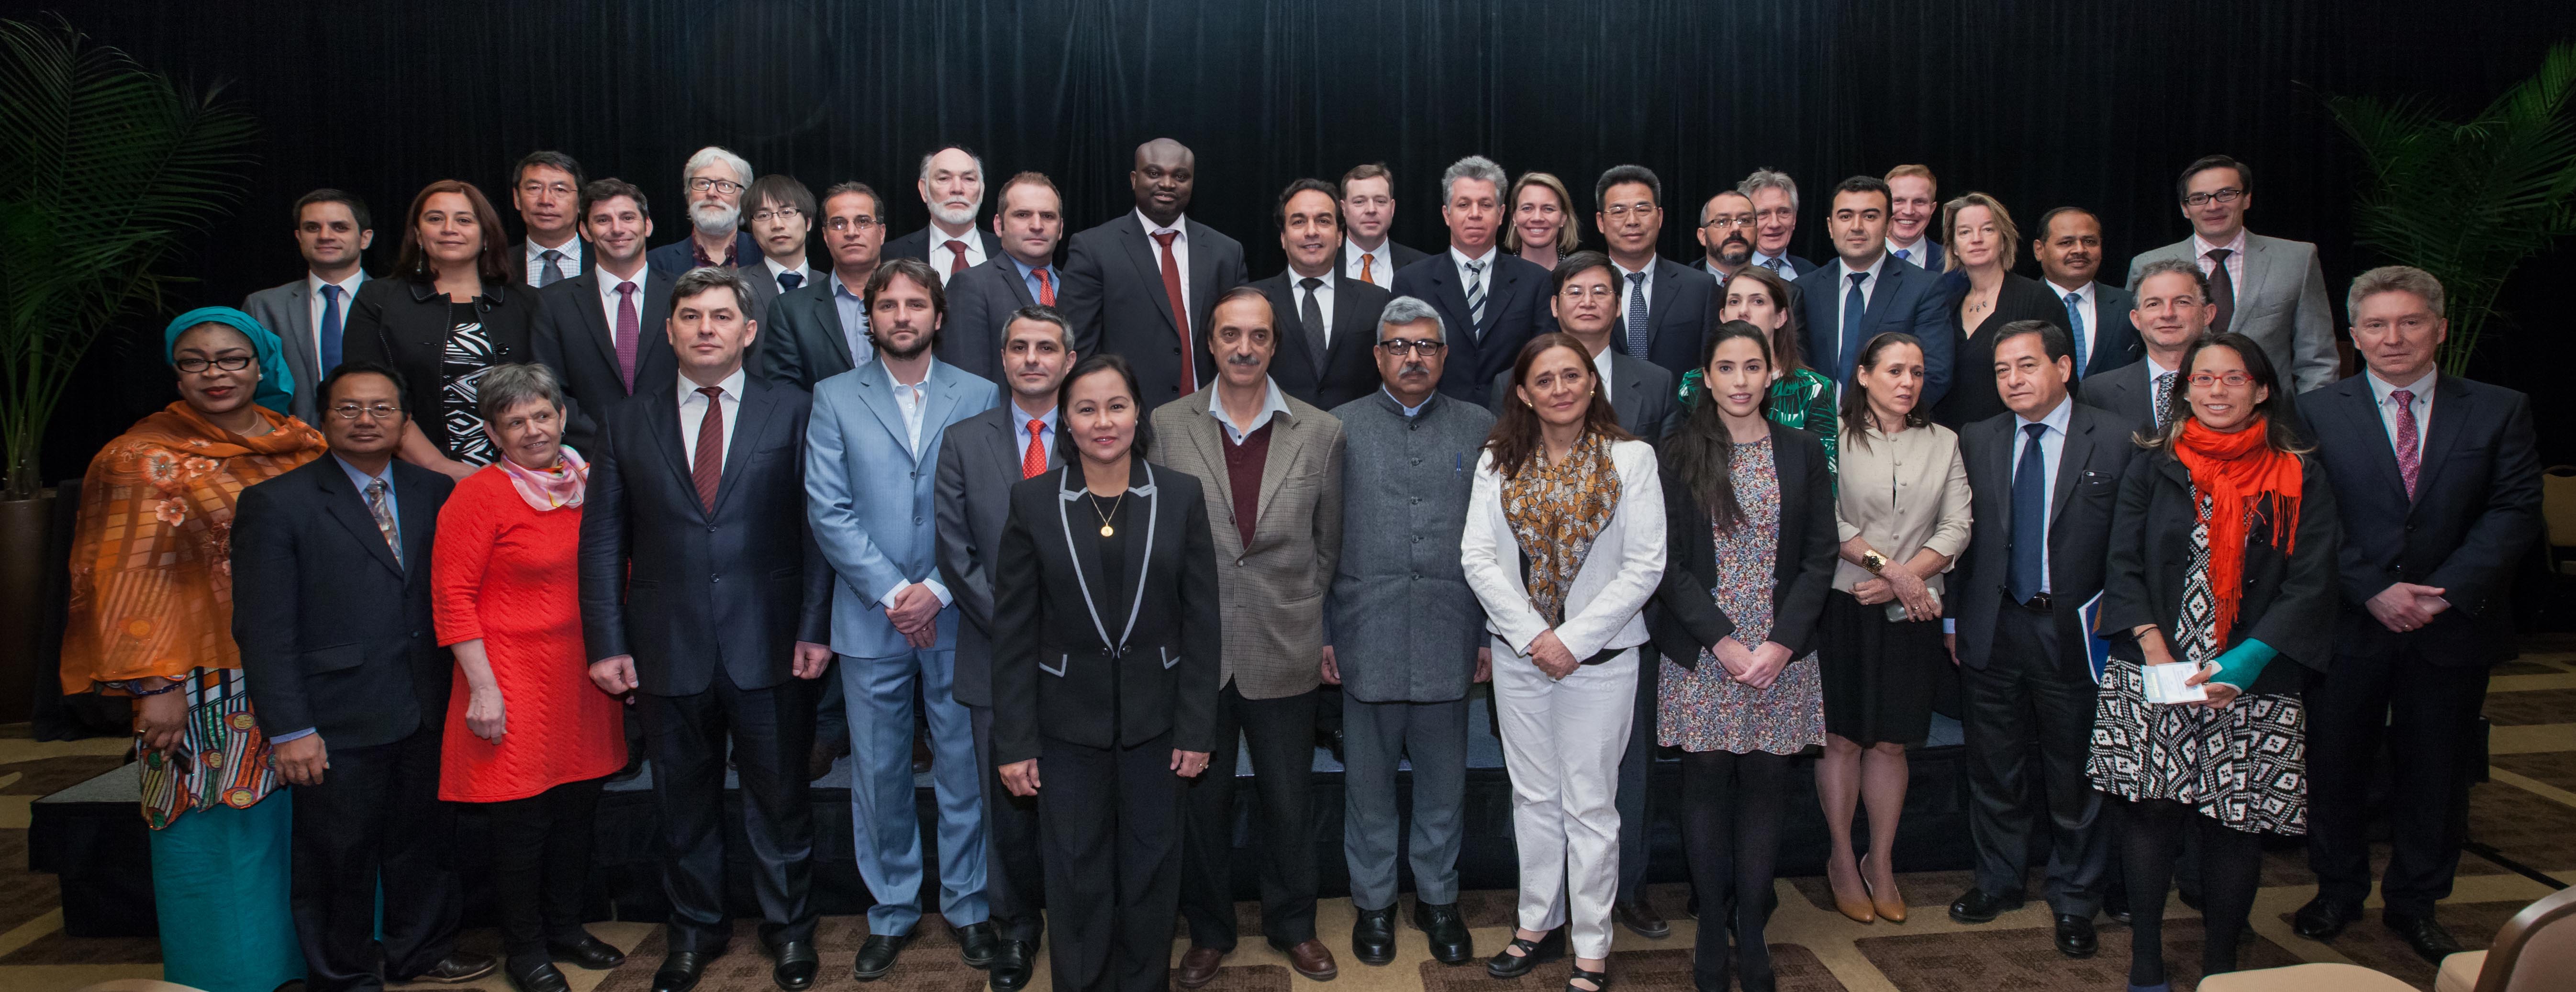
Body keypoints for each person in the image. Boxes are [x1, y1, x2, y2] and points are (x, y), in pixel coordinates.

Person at [578, 267, 835, 992]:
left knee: (780, 799)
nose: (705, 329)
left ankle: (791, 932)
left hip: (773, 639)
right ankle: (693, 931)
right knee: (681, 803)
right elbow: (602, 541)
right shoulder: (626, 419)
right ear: (669, 330)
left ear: (749, 332)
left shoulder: (795, 410)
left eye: (721, 316)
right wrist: (606, 642)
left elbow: (819, 529)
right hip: (665, 646)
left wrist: (816, 625)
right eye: (690, 316)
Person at [60, 308, 325, 992]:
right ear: (176, 371)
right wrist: (155, 687)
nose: (215, 374)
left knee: (309, 822)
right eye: (196, 361)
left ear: (261, 363)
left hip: (301, 666)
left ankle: (314, 962)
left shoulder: (303, 445)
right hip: (203, 681)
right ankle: (228, 975)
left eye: (232, 358)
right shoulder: (138, 458)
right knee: (216, 824)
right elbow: (121, 574)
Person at [2295, 267, 2543, 962]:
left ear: (2436, 326)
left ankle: (2415, 902)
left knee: (2434, 773)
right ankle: (2336, 890)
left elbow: (2514, 508)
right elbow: (2307, 516)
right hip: (2347, 621)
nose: (2392, 337)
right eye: (2374, 325)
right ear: (2352, 336)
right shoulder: (2314, 410)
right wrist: (2371, 588)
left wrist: (2442, 590)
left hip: (2450, 623)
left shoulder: (2498, 407)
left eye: (2407, 322)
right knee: (2334, 766)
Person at [2090, 331, 2341, 990]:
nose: (2216, 391)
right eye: (2202, 380)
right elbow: (2120, 561)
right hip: (2153, 664)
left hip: (2252, 677)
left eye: (2232, 378)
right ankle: (2145, 960)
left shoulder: (2298, 471)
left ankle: (2222, 963)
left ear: (2261, 389)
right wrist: (2153, 649)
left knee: (2233, 824)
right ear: (2184, 390)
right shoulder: (2154, 460)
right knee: (2148, 812)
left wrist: (2245, 664)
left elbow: (2310, 582)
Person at [232, 361, 487, 991]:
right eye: (349, 408)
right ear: (323, 420)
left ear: (404, 421)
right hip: (336, 712)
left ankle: (419, 952)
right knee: (336, 854)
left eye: (380, 408)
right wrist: (290, 728)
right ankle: (341, 973)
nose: (366, 419)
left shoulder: (436, 492)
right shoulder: (276, 503)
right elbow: (264, 630)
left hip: (427, 701)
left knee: (424, 842)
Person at [990, 354, 1221, 992]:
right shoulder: (1032, 501)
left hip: (1159, 725)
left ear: (1137, 412)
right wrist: (1014, 742)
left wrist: (1197, 729)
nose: (1102, 421)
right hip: (1065, 730)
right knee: (1074, 875)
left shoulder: (1179, 495)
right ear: (1065, 420)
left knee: (1150, 873)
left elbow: (1202, 625)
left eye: (1115, 406)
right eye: (1086, 409)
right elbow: (1012, 635)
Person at [806, 256, 1004, 980]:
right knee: (880, 773)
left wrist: (939, 591)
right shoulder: (832, 396)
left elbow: (990, 508)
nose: (900, 316)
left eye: (914, 304)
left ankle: (969, 906)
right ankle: (890, 910)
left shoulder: (982, 393)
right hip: (870, 617)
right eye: (886, 304)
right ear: (870, 317)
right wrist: (896, 593)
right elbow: (827, 509)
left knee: (963, 768)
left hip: (958, 614)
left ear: (938, 316)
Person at [1149, 287, 1348, 986]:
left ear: (1273, 344)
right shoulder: (1165, 425)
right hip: (1194, 650)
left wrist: (1302, 609)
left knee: (1288, 799)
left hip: (1283, 642)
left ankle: (1293, 925)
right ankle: (1208, 930)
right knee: (1199, 803)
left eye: (1256, 336)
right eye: (1229, 334)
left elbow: (1328, 544)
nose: (1242, 347)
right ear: (1209, 342)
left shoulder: (1320, 431)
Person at [1464, 333, 1666, 992]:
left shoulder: (1630, 458)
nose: (1559, 389)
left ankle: (1590, 945)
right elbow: (1477, 559)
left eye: (1571, 376)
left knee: (1589, 805)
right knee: (1533, 798)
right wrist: (1532, 636)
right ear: (1522, 392)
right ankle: (1534, 923)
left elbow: (1645, 565)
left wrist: (1571, 639)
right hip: (1522, 657)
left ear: (1591, 383)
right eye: (1544, 380)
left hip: (1599, 661)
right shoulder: (1498, 458)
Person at [1649, 322, 1836, 992]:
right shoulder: (1675, 452)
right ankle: (1708, 926)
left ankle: (1751, 924)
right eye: (1724, 367)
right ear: (1704, 376)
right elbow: (1664, 564)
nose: (1737, 380)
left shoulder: (1802, 449)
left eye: (1750, 367)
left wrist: (1780, 642)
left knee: (1764, 789)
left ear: (1770, 375)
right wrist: (1723, 642)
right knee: (1702, 785)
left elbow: (1820, 554)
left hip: (1782, 651)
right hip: (1704, 651)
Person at [429, 363, 628, 992]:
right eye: (514, 421)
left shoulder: (589, 484)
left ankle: (566, 927)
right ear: (492, 431)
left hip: (584, 678)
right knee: (522, 824)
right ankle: (525, 948)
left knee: (576, 813)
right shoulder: (478, 495)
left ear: (562, 417)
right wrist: (483, 687)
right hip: (507, 679)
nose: (532, 430)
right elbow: (452, 594)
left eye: (542, 415)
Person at [1943, 322, 2138, 959]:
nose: (2012, 380)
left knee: (2073, 773)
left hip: (2075, 631)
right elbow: (1960, 537)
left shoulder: (2114, 437)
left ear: (2062, 366)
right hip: (1991, 626)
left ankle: (2075, 898)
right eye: (2001, 370)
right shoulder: (1977, 438)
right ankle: (1997, 881)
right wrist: (1951, 620)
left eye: (2025, 366)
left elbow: (2130, 544)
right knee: (1993, 768)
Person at [1325, 296, 1492, 968]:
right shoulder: (1336, 429)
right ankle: (1371, 903)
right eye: (1398, 346)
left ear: (1444, 356)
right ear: (1377, 356)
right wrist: (1324, 633)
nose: (1412, 357)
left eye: (1425, 346)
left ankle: (1437, 897)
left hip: (1452, 633)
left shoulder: (1480, 428)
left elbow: (1497, 543)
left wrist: (1486, 635)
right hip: (1364, 632)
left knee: (1443, 783)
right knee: (1366, 785)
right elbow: (1320, 538)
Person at [935, 305, 1082, 992]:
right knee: (1010, 809)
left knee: (1081, 800)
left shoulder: (1100, 436)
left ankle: (1082, 924)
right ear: (1002, 359)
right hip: (994, 655)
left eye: (1045, 347)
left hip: (1087, 658)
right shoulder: (963, 441)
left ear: (1068, 360)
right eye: (1019, 347)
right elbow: (955, 552)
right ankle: (1016, 929)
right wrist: (1021, 628)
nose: (1032, 359)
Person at [1815, 331, 1970, 925]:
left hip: (1914, 612)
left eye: (1916, 372)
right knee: (1845, 738)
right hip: (1845, 603)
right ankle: (1839, 859)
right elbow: (1827, 520)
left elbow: (1957, 527)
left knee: (1892, 740)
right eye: (1894, 371)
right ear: (1862, 375)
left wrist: (1904, 582)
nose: (1907, 383)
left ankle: (1880, 862)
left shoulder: (1944, 441)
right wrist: (1894, 575)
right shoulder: (1832, 438)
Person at [342, 179, 537, 480]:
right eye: (435, 219)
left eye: (464, 220)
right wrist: (439, 467)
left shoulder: (527, 303)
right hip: (414, 476)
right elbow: (370, 396)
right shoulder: (378, 300)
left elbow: (547, 395)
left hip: (520, 476)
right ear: (418, 235)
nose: (449, 228)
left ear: (486, 234)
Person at [1059, 138, 1252, 405]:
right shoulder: (1093, 249)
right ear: (1134, 179)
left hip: (1214, 415)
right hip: (1130, 420)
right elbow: (1079, 347)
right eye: (1154, 173)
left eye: (1180, 176)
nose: (1168, 184)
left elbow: (1243, 338)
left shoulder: (1226, 253)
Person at [2125, 155, 2336, 393]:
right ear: (2185, 209)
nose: (2213, 206)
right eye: (2199, 198)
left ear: (2247, 199)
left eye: (2226, 194)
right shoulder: (2148, 264)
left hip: (2272, 419)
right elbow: (2135, 352)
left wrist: (2308, 423)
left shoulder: (2296, 259)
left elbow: (2318, 360)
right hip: (2178, 414)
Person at [1393, 155, 1556, 408]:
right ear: (1447, 214)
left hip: (1515, 423)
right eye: (1464, 205)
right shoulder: (1412, 281)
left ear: (1502, 214)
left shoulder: (1536, 281)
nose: (1475, 214)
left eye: (1486, 204)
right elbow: (1403, 362)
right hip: (1437, 422)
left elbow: (1544, 362)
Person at [531, 178, 676, 457]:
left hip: (676, 453)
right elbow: (548, 388)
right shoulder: (553, 302)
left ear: (647, 225)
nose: (617, 229)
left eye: (628, 217)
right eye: (602, 220)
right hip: (590, 458)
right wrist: (605, 444)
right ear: (585, 230)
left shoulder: (684, 295)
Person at [1795, 176, 1953, 407]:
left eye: (1870, 216)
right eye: (1846, 216)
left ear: (1889, 225)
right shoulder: (1804, 288)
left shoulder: (1924, 288)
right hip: (1816, 432)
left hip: (1888, 432)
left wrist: (1874, 423)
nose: (1857, 227)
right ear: (1831, 227)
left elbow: (1935, 372)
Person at [1491, 252, 1678, 442]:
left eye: (1599, 292)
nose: (1587, 303)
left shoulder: (1657, 384)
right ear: (1555, 306)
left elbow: (1667, 467)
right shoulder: (1512, 383)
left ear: (1618, 305)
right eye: (1575, 293)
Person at [1249, 178, 1391, 410]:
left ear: (1339, 236)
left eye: (1323, 221)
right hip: (1277, 437)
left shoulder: (1377, 301)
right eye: (1299, 222)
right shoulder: (1256, 300)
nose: (1312, 232)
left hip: (1355, 439)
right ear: (1283, 238)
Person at [1681, 267, 1838, 473]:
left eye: (1758, 302)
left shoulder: (1813, 389)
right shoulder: (1693, 384)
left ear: (1780, 317)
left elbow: (1826, 481)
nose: (1743, 311)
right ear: (1722, 316)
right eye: (1734, 302)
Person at [1929, 193, 2065, 428]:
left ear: (2003, 240)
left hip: (2013, 441)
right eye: (1965, 232)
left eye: (1988, 230)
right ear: (1954, 247)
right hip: (1949, 442)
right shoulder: (1945, 304)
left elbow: (2060, 382)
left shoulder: (2037, 298)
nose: (1977, 239)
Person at [243, 189, 374, 424]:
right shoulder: (264, 306)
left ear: (365, 238)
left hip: (382, 445)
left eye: (339, 227)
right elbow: (250, 386)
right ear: (299, 237)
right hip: (292, 448)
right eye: (312, 228)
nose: (325, 236)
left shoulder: (395, 302)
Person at [1595, 164, 1717, 385]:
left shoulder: (1700, 287)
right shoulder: (1582, 291)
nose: (1632, 221)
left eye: (1642, 209)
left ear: (1660, 217)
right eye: (1619, 211)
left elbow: (1712, 366)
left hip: (1681, 416)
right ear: (1601, 222)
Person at [762, 181, 890, 391]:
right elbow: (785, 393)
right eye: (839, 223)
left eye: (863, 222)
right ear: (825, 236)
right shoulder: (790, 310)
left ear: (882, 232)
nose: (851, 232)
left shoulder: (912, 303)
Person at [944, 172, 1066, 384]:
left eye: (1047, 216)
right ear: (999, 225)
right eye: (1023, 215)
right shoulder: (970, 285)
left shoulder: (1077, 286)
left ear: (1061, 228)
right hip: (1002, 416)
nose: (1037, 225)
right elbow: (968, 385)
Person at [2087, 260, 2217, 435]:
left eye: (2182, 302)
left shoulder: (2235, 385)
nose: (2167, 314)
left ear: (2207, 314)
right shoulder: (2097, 393)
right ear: (2136, 319)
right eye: (2154, 304)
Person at [2032, 207, 2141, 380]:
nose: (2080, 250)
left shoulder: (2129, 305)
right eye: (2066, 243)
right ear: (2039, 250)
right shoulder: (2020, 303)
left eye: (2090, 242)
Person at [887, 145, 1003, 279]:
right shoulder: (891, 254)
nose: (957, 189)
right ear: (924, 190)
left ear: (981, 191)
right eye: (944, 178)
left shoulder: (1008, 251)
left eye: (969, 179)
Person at [646, 145, 760, 277]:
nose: (711, 193)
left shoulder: (765, 253)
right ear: (689, 195)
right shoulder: (656, 264)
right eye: (702, 183)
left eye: (725, 185)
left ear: (744, 198)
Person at [739, 174, 819, 326]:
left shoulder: (832, 286)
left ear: (808, 223)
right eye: (763, 215)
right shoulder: (736, 286)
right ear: (753, 231)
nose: (777, 224)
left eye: (787, 212)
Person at [1339, 162, 1429, 286]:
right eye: (1360, 202)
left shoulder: (1424, 267)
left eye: (1380, 201)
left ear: (1392, 208)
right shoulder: (1323, 262)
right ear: (1344, 209)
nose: (1371, 210)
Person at [509, 151, 590, 288]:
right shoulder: (496, 266)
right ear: (517, 198)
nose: (546, 200)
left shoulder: (606, 260)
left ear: (581, 201)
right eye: (534, 188)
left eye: (560, 190)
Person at [1738, 169, 1816, 278]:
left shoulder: (1812, 273)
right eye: (1763, 213)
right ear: (1745, 222)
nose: (1775, 224)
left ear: (1794, 219)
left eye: (1783, 212)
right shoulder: (1729, 273)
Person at [1505, 171, 1580, 271]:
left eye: (1548, 209)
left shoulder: (1578, 277)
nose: (1537, 218)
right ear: (1514, 217)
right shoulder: (1496, 276)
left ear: (1563, 218)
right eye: (1527, 208)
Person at [1882, 165, 1944, 270]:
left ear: (1932, 209)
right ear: (1883, 206)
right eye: (1899, 201)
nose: (1909, 211)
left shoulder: (1955, 266)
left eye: (1919, 202)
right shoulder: (1856, 258)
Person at [1693, 189, 1759, 281]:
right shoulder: (1681, 287)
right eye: (1722, 222)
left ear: (1757, 232)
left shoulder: (1780, 290)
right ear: (1703, 236)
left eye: (1745, 220)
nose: (1736, 228)